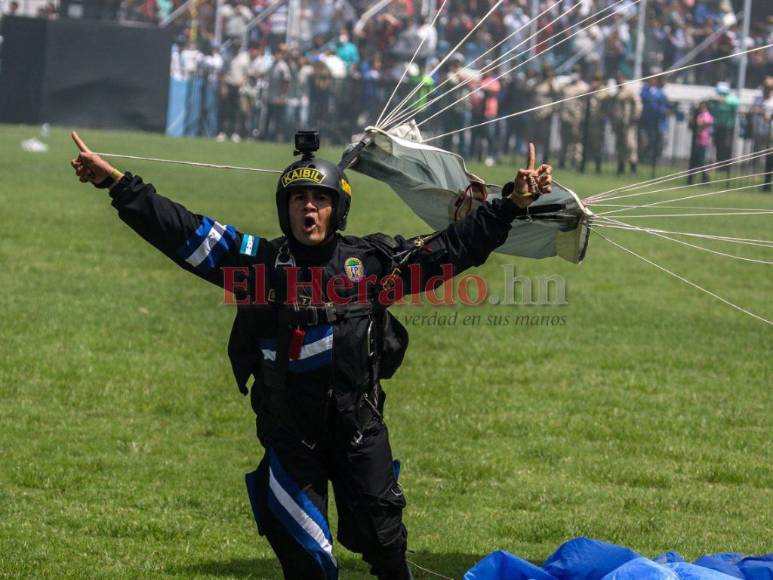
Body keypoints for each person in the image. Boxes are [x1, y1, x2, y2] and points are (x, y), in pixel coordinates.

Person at [69, 130, 553, 579]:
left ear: (337, 210)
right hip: (291, 436)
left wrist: (510, 204)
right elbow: (183, 231)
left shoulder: (372, 263)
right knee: (307, 561)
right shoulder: (258, 264)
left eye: (320, 200)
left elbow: (452, 248)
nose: (309, 209)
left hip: (359, 429)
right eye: (299, 199)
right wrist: (118, 185)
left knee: (385, 546)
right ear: (285, 209)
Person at [607, 72, 642, 175]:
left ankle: (633, 167)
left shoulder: (629, 91)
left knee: (630, 145)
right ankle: (621, 166)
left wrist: (635, 116)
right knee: (619, 145)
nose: (618, 81)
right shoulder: (617, 93)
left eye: (620, 79)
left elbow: (638, 104)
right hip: (618, 123)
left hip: (628, 123)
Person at [687, 101, 714, 184]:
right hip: (697, 139)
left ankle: (704, 177)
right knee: (696, 160)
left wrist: (699, 124)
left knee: (700, 159)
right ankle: (696, 178)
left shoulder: (707, 115)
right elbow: (694, 125)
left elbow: (705, 124)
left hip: (703, 139)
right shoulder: (699, 115)